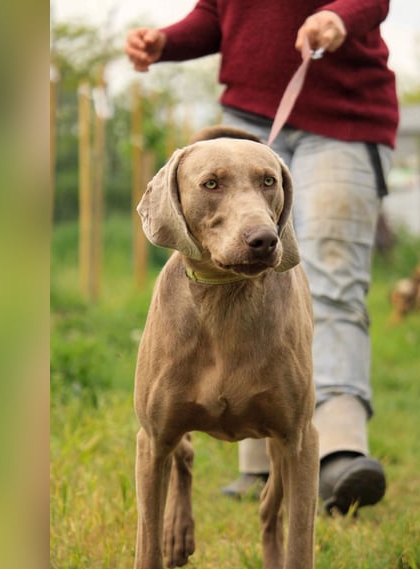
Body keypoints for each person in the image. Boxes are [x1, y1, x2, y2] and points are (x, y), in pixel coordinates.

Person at [125, 0, 398, 515]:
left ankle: (337, 447)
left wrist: (340, 16)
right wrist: (168, 42)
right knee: (236, 273)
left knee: (329, 273)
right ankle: (257, 457)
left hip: (344, 116)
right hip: (249, 115)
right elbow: (219, 14)